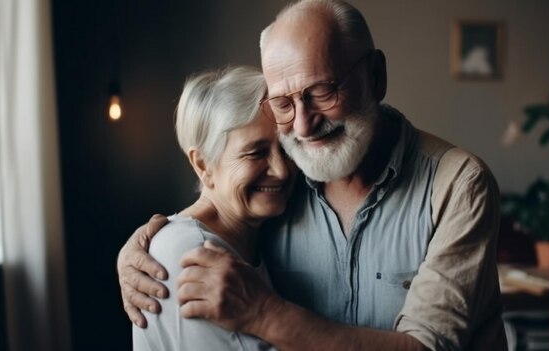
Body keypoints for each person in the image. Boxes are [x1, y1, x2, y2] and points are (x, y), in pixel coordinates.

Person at [117, 1, 508, 350]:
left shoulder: (458, 184)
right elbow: (220, 213)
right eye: (284, 103)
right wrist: (149, 242)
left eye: (322, 92)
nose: (303, 126)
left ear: (376, 75)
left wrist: (266, 314)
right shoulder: (285, 180)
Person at [132, 66, 295, 350]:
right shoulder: (189, 253)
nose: (281, 171)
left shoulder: (259, 232)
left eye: (286, 149)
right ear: (203, 164)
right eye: (255, 153)